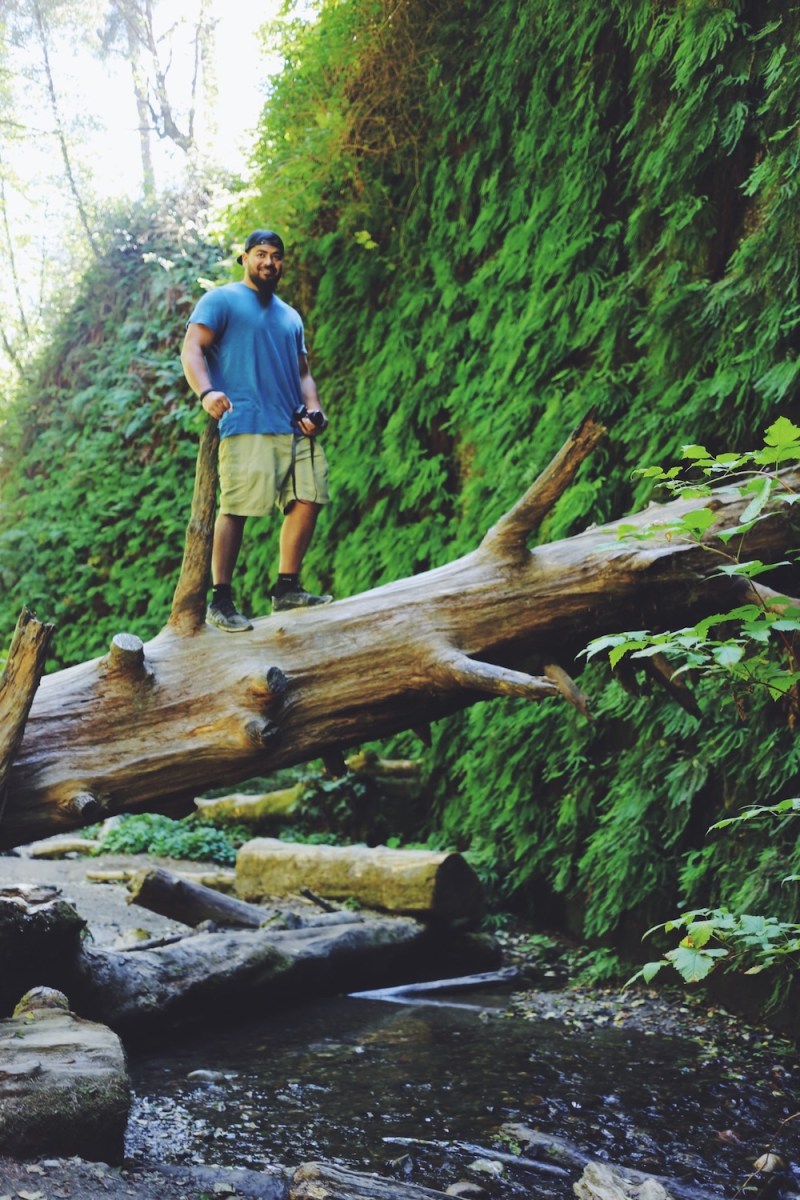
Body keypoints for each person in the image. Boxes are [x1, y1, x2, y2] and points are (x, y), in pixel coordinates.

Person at [181, 229, 332, 632]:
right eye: (261, 254)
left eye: (277, 256)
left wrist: (315, 411)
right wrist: (206, 391)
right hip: (246, 420)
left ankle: (286, 588)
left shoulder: (290, 316)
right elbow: (192, 347)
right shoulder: (221, 300)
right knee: (237, 509)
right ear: (245, 258)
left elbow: (303, 373)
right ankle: (221, 600)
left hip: (294, 425)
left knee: (311, 497)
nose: (270, 262)